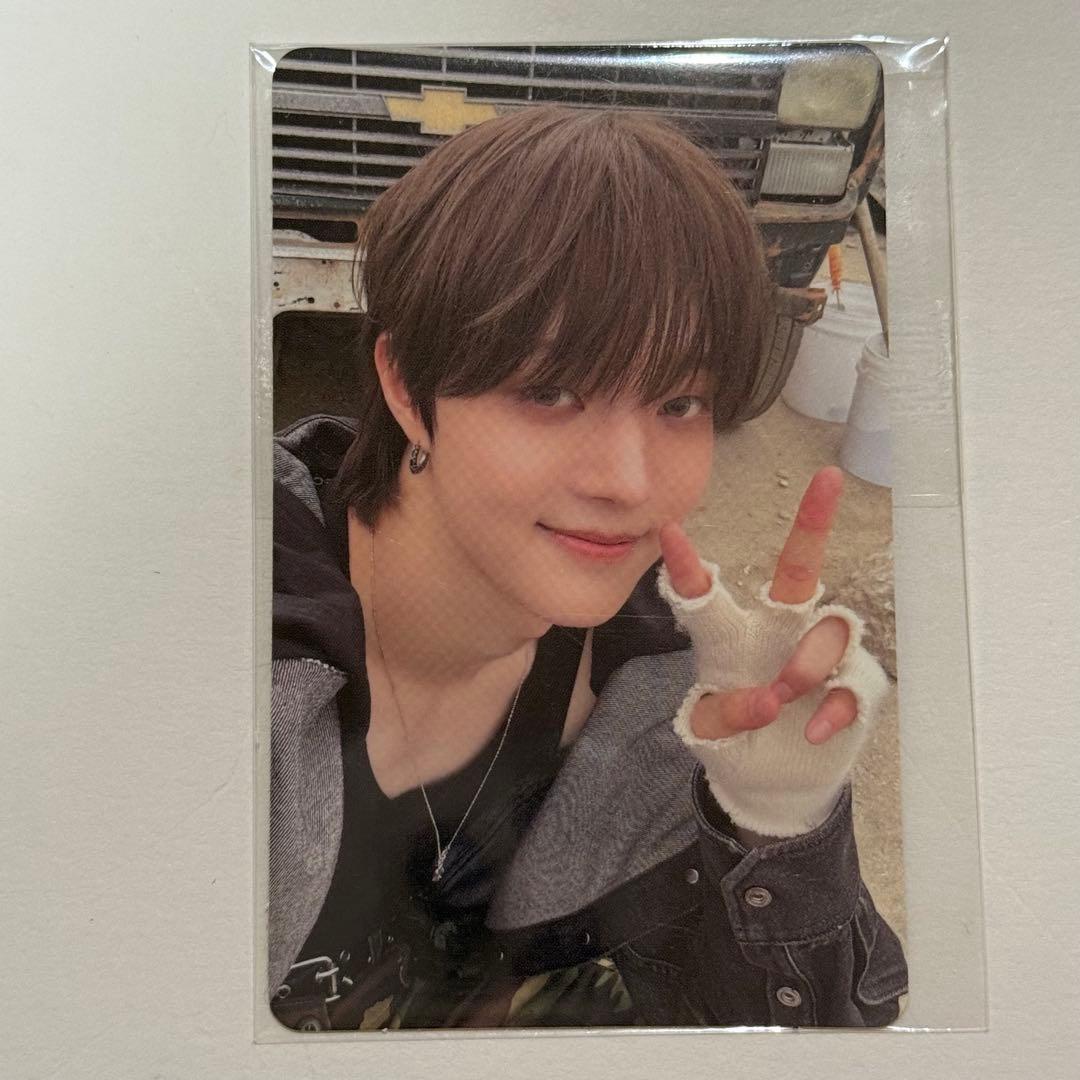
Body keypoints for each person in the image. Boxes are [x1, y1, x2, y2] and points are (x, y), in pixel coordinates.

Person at [269, 106, 908, 1030]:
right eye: (549, 391)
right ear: (407, 387)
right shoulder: (219, 643)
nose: (630, 483)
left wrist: (775, 821)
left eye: (680, 403)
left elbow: (823, 1036)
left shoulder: (664, 697)